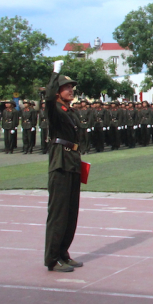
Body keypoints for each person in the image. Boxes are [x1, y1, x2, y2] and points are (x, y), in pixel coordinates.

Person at [44, 60, 83, 273]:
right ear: (57, 91)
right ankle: (52, 258)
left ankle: (63, 253)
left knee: (70, 212)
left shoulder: (70, 110)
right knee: (58, 213)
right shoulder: (55, 109)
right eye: (66, 87)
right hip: (60, 163)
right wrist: (55, 72)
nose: (71, 90)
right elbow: (48, 98)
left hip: (72, 162)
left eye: (71, 87)